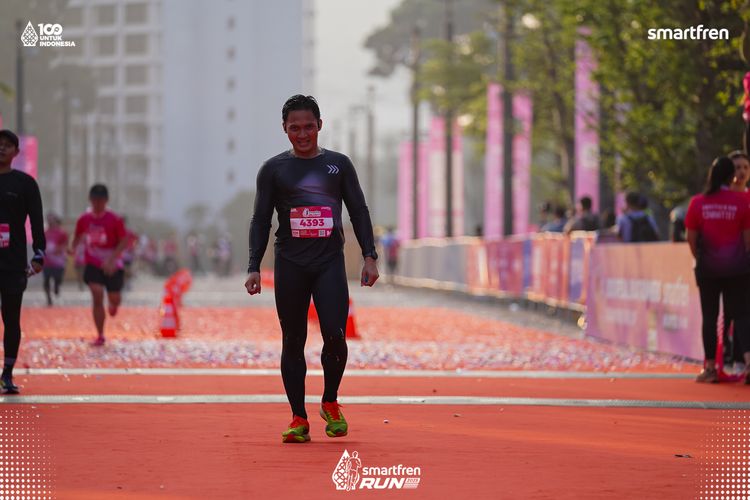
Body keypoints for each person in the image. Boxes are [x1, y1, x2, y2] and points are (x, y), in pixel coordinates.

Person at [244, 95, 379, 443]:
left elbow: (358, 211)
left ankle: (330, 401)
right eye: (294, 128)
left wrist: (370, 256)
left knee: (335, 334)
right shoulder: (273, 170)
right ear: (284, 129)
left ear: (319, 125)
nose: (302, 134)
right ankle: (298, 417)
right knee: (293, 339)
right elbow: (261, 219)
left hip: (328, 262)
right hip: (290, 263)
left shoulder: (338, 165)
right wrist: (254, 266)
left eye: (308, 127)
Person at [685, 156, 750, 383]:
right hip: (738, 269)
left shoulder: (698, 202)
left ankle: (710, 368)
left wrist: (701, 259)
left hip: (708, 269)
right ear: (731, 176)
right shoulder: (742, 202)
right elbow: (747, 239)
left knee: (710, 317)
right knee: (742, 315)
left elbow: (691, 238)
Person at [0, 129, 45, 394]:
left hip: (13, 261)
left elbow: (36, 220)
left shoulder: (25, 184)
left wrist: (39, 253)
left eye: (7, 145)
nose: (1, 148)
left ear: (16, 152)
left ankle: (7, 372)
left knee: (11, 318)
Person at [69, 184, 130, 346]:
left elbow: (124, 240)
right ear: (90, 200)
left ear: (106, 201)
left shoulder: (114, 219)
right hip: (93, 262)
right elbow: (77, 236)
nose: (97, 204)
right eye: (95, 200)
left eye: (101, 201)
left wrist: (111, 260)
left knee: (114, 297)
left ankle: (113, 304)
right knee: (97, 294)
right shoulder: (84, 219)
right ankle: (100, 334)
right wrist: (72, 247)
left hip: (112, 263)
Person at [43, 213, 68, 306]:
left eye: (52, 219)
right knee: (46, 280)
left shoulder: (62, 232)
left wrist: (57, 249)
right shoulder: (45, 232)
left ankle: (57, 286)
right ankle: (48, 298)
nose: (50, 222)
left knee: (58, 278)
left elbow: (65, 244)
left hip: (58, 261)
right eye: (48, 220)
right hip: (47, 261)